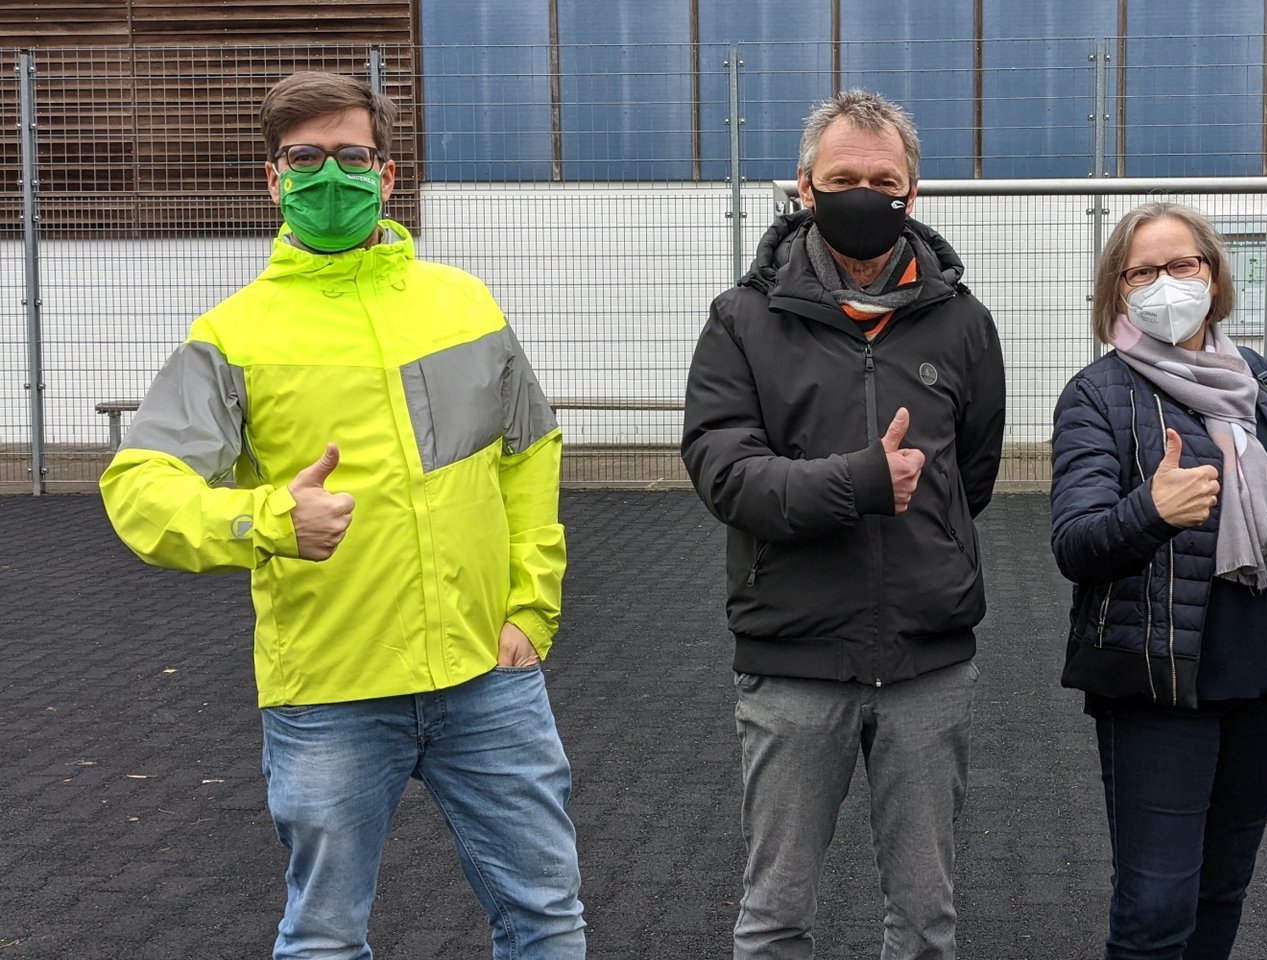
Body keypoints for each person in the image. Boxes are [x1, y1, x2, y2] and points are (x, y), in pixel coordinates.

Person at [99, 72, 585, 959]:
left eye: (349, 156)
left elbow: (528, 456)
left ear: (387, 173)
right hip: (330, 691)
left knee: (548, 919)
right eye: (305, 158)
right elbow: (140, 486)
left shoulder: (464, 304)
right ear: (274, 180)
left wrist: (530, 608)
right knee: (324, 935)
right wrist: (265, 520)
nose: (331, 175)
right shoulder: (233, 336)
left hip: (487, 674)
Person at [680, 89, 1006, 960]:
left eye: (884, 179)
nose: (865, 194)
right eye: (844, 178)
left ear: (914, 192)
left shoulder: (965, 324)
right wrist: (859, 483)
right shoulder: (742, 321)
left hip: (926, 662)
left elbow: (969, 479)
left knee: (926, 920)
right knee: (776, 916)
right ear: (803, 186)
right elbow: (724, 474)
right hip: (794, 661)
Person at [1049, 201, 1267, 960]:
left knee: (1222, 892)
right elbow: (1076, 545)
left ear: (1215, 277)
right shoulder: (1098, 395)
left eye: (1182, 264)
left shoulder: (1255, 379)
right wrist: (1150, 509)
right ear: (1118, 292)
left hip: (1263, 678)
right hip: (1159, 687)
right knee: (1154, 909)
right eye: (1142, 270)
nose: (1166, 283)